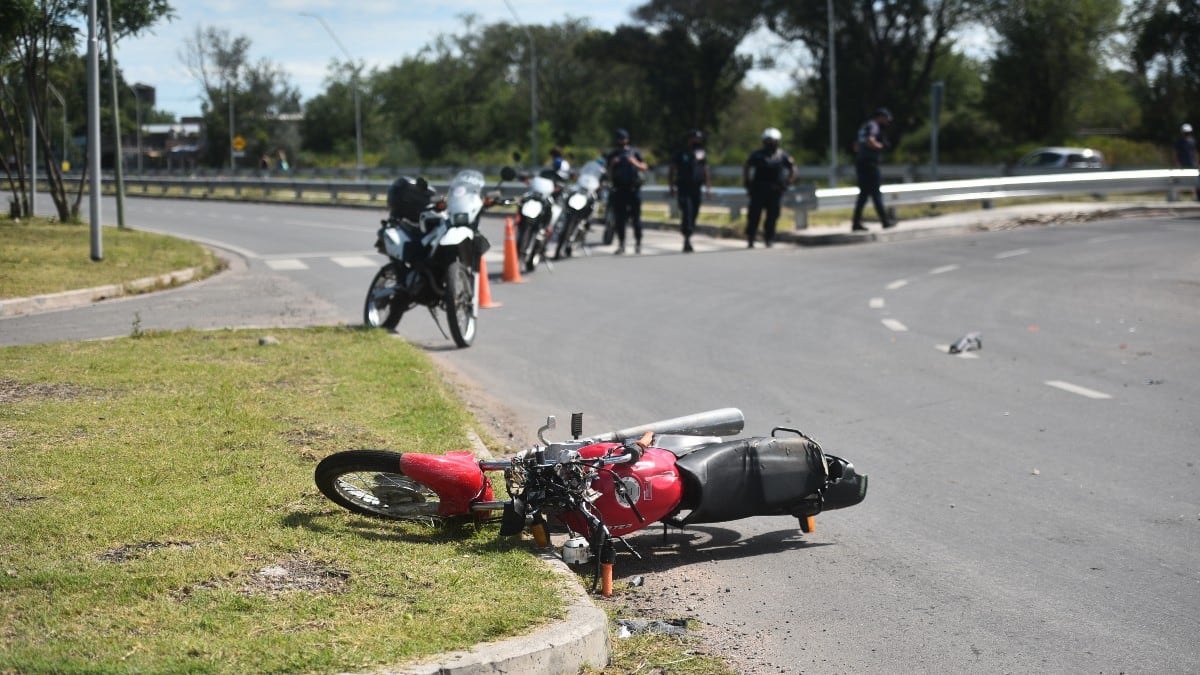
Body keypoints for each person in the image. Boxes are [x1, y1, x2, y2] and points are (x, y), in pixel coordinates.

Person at [742, 127, 795, 248]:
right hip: (758, 190)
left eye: (773, 141)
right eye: (768, 141)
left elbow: (793, 169)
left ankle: (769, 238)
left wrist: (788, 182)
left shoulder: (783, 156)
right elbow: (746, 167)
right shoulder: (757, 155)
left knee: (772, 216)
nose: (770, 144)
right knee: (754, 216)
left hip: (775, 191)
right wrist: (747, 182)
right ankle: (751, 238)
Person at [606, 128, 649, 254]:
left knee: (636, 219)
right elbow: (607, 174)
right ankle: (621, 244)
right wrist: (613, 164)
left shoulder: (634, 152)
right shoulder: (613, 155)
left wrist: (634, 162)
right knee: (620, 219)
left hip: (634, 190)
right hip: (619, 190)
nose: (621, 141)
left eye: (623, 139)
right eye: (619, 139)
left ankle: (638, 243)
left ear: (627, 139)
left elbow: (644, 167)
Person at [668, 129, 711, 253]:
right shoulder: (680, 153)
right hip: (683, 188)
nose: (697, 141)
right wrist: (671, 187)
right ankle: (687, 238)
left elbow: (705, 170)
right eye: (695, 138)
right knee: (687, 211)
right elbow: (672, 170)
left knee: (695, 212)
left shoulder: (701, 153)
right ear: (689, 139)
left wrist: (708, 188)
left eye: (699, 139)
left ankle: (689, 232)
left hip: (696, 188)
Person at [852, 107, 894, 231]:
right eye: (886, 118)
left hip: (861, 163)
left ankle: (856, 223)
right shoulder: (874, 126)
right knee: (876, 193)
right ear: (880, 117)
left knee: (864, 195)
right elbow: (870, 141)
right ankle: (885, 221)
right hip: (870, 165)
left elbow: (855, 146)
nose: (887, 122)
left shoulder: (864, 127)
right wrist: (880, 146)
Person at [1175, 123, 1197, 200]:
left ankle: (1194, 196)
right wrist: (1178, 163)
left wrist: (1196, 162)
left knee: (1193, 180)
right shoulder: (1179, 141)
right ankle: (1179, 196)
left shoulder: (1192, 141)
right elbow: (1177, 153)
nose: (1186, 134)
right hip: (1182, 163)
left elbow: (1193, 152)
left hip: (1191, 163)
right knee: (1181, 180)